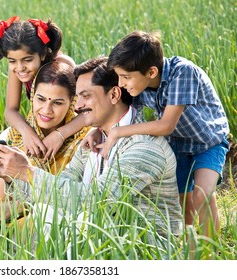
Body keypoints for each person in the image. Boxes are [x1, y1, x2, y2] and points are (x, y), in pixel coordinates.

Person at [0, 56, 183, 240]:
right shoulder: (94, 139)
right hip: (103, 237)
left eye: (86, 96)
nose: (77, 107)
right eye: (78, 97)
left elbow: (95, 201)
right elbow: (62, 190)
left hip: (140, 251)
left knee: (48, 220)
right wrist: (11, 175)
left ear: (114, 95)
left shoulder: (144, 147)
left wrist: (27, 172)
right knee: (45, 213)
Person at [86, 31, 229, 238]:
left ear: (151, 72)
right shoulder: (139, 84)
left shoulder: (183, 73)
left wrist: (118, 132)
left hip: (207, 143)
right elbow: (117, 111)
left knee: (203, 195)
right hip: (178, 146)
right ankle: (188, 249)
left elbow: (166, 125)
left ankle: (211, 252)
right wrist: (96, 130)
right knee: (183, 202)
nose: (121, 83)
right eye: (119, 76)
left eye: (125, 77)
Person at [0, 61, 89, 226]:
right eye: (40, 99)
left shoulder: (85, 141)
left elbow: (80, 200)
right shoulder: (11, 138)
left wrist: (22, 206)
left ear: (72, 102)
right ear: (32, 96)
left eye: (57, 102)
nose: (46, 110)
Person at [0, 16, 87, 160]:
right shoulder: (18, 69)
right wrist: (27, 132)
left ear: (43, 54)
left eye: (27, 60)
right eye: (12, 61)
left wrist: (60, 134)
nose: (20, 68)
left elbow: (89, 112)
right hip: (45, 124)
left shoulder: (63, 66)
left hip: (72, 126)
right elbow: (10, 110)